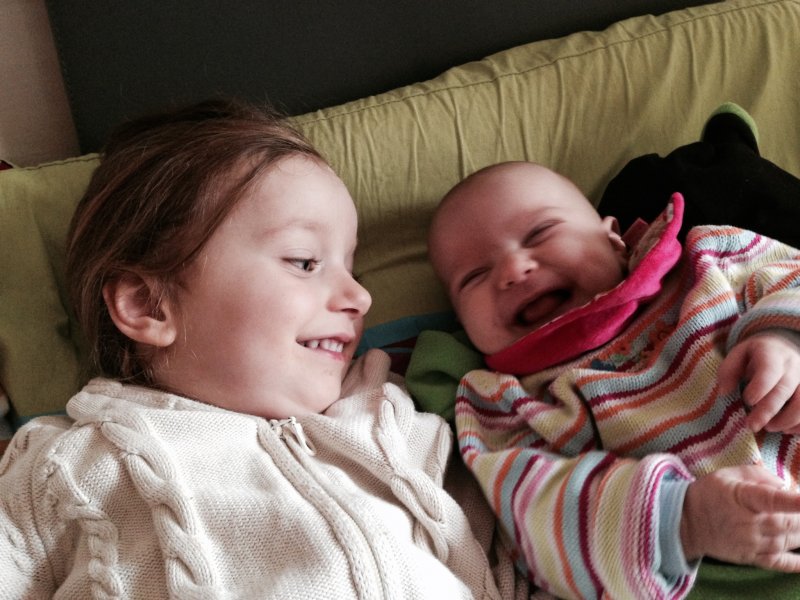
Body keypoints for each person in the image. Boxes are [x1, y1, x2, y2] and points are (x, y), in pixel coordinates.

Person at [0, 99, 514, 599]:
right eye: (304, 262)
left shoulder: (394, 417)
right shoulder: (66, 462)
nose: (360, 296)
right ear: (149, 305)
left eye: (353, 269)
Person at [411, 157, 800, 599]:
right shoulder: (505, 401)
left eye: (540, 233)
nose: (513, 270)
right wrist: (687, 520)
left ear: (614, 239)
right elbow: (535, 512)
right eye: (475, 277)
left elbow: (790, 273)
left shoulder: (710, 259)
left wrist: (785, 337)